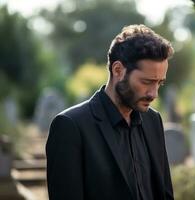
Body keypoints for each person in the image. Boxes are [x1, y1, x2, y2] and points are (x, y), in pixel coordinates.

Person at [46, 24, 174, 200]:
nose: (154, 94)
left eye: (160, 83)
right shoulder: (70, 126)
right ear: (118, 70)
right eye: (146, 82)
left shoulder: (153, 120)